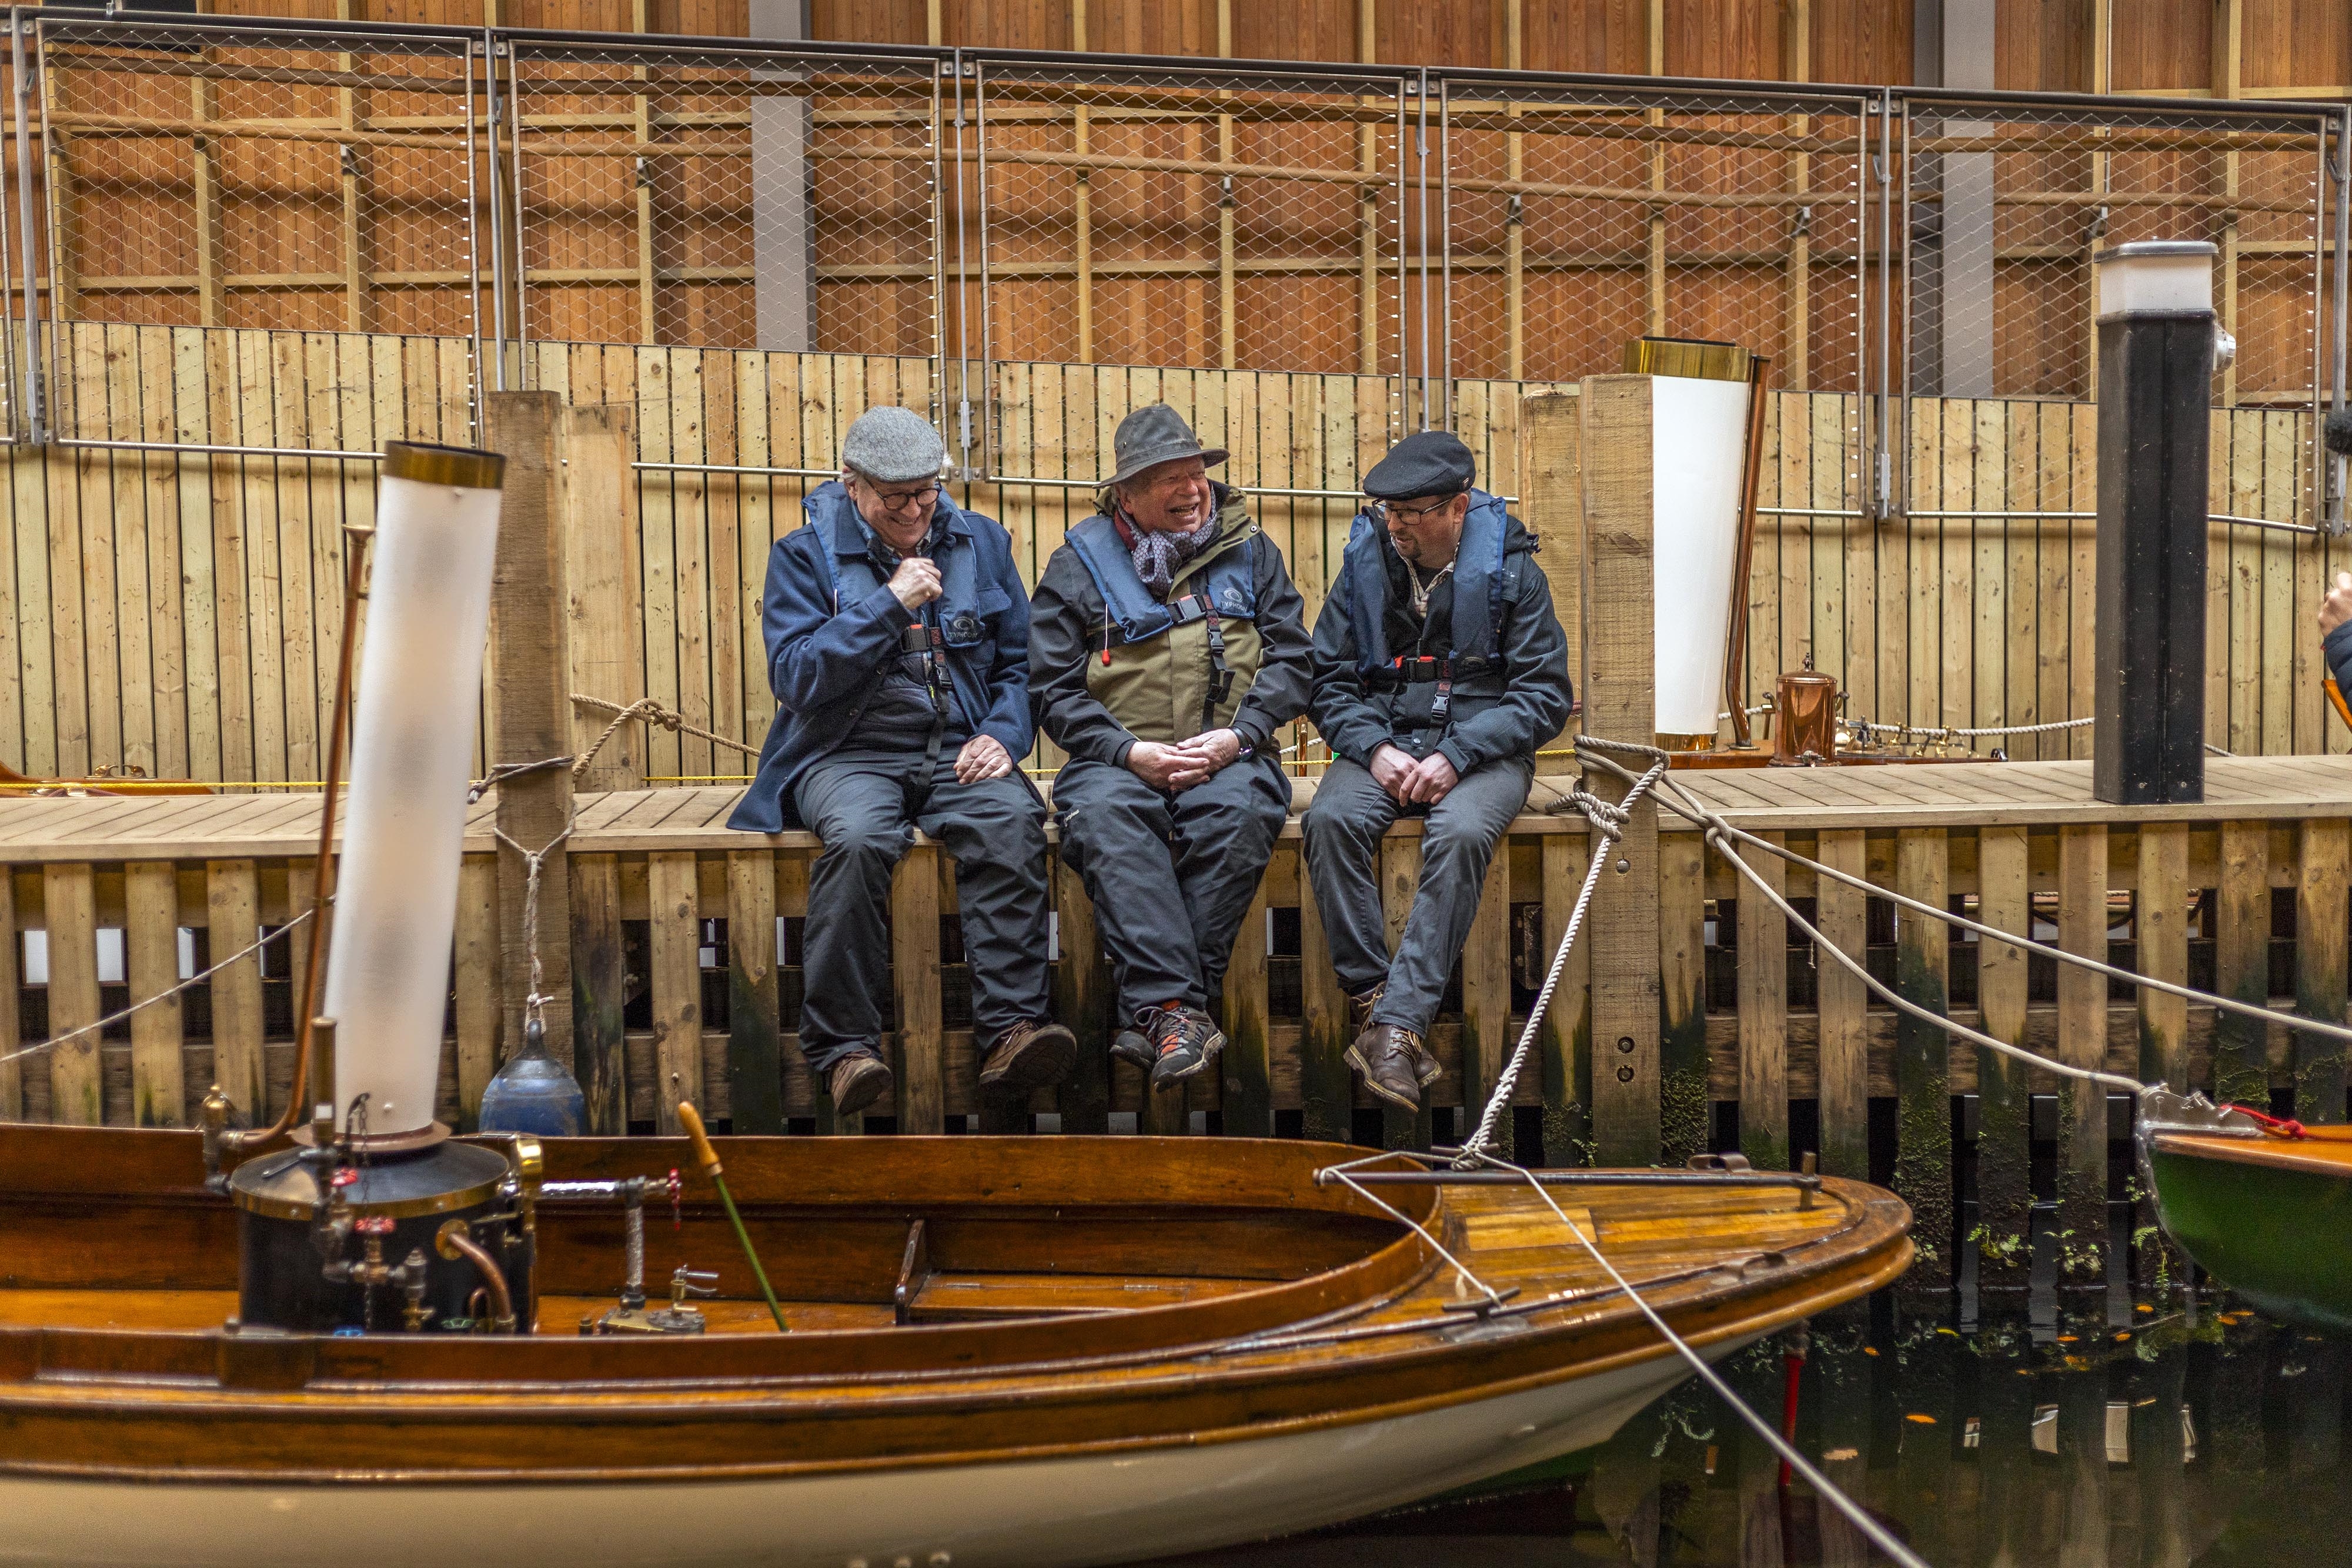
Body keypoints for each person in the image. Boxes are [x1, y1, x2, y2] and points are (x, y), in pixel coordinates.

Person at [727, 405, 1073, 1118]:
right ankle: (844, 1051)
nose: (916, 510)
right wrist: (889, 603)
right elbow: (795, 677)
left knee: (1010, 826)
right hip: (846, 754)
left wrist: (1003, 738)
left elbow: (1020, 667)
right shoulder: (803, 556)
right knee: (856, 843)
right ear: (852, 486)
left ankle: (1011, 1031)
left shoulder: (982, 542)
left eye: (928, 492)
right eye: (896, 498)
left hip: (958, 749)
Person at [1028, 404, 1312, 1091]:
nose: (1192, 490)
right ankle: (1180, 1010)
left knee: (1239, 816)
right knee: (1104, 823)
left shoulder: (1253, 552)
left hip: (1231, 752)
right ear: (1125, 495)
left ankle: (1159, 1011)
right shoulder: (1076, 567)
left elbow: (1294, 660)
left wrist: (1240, 736)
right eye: (1170, 479)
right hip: (1115, 761)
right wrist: (1128, 753)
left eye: (1198, 475)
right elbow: (1052, 691)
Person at [1301, 429, 1573, 1111]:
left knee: (1457, 834)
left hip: (1483, 752)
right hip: (1385, 741)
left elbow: (1543, 695)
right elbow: (1327, 680)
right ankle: (1375, 1003)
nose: (1394, 526)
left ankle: (1399, 1025)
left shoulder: (1515, 575)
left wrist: (1458, 754)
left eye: (1411, 512)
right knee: (1329, 820)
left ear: (1457, 508)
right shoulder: (1364, 566)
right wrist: (1373, 749)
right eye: (1387, 512)